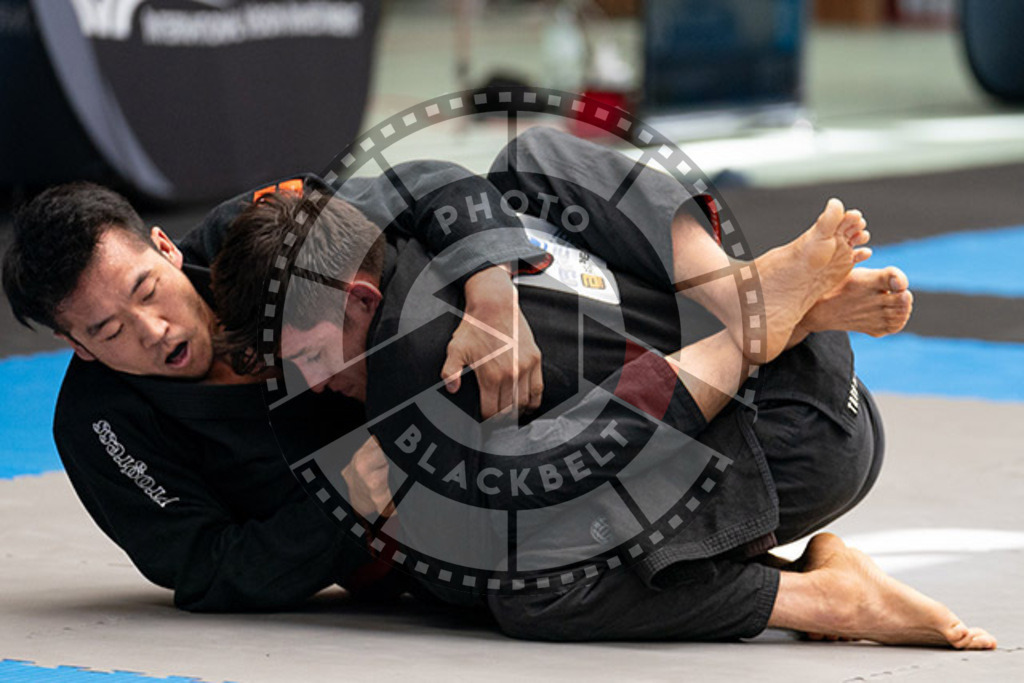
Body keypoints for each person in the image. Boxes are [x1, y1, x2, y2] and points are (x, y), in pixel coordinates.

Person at [213, 127, 994, 649]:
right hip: (804, 385)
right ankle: (753, 301)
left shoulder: (422, 368)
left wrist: (405, 499)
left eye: (309, 353)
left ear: (359, 299)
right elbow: (424, 175)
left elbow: (588, 461)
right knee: (529, 155)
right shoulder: (424, 229)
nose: (309, 382)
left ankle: (824, 595)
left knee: (529, 582)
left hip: (791, 442)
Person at [1, 167, 551, 611]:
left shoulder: (248, 234)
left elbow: (431, 186)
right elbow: (206, 567)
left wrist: (492, 294)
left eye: (145, 290)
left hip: (486, 382)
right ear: (77, 346)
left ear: (165, 246)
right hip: (416, 548)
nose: (153, 331)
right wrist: (344, 505)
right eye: (109, 331)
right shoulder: (99, 425)